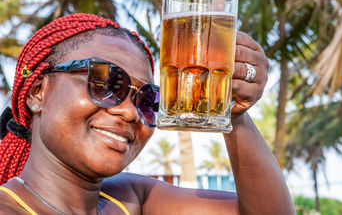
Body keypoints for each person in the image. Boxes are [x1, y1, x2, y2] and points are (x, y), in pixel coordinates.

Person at [0, 13, 295, 214]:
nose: (129, 112)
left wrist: (233, 113)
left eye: (147, 100)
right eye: (104, 83)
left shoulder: (130, 198)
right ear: (38, 92)